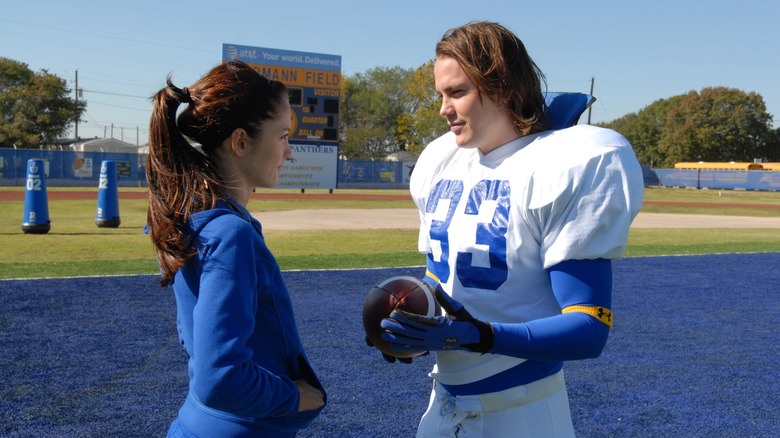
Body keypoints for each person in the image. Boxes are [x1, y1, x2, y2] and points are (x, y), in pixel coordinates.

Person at [377, 21, 644, 437]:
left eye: (457, 92)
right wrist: (416, 318)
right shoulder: (441, 161)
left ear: (501, 84)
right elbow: (439, 279)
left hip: (524, 414)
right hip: (442, 408)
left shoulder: (568, 162)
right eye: (441, 94)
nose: (443, 108)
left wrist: (476, 336)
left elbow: (590, 327)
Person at [146, 60, 326, 438]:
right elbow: (221, 380)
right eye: (282, 136)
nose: (288, 152)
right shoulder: (230, 234)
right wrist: (296, 397)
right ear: (241, 142)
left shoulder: (195, 220)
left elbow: (195, 338)